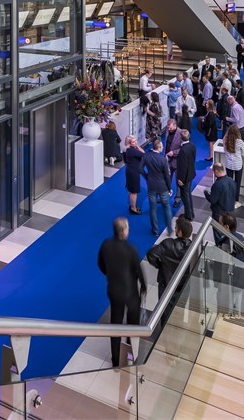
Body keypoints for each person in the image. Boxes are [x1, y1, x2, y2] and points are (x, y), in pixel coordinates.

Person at [97, 217, 147, 367]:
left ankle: (115, 359)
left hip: (114, 291)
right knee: (133, 324)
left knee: (115, 323)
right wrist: (143, 286)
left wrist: (110, 274)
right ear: (124, 230)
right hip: (130, 293)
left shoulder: (106, 244)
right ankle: (131, 351)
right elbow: (138, 271)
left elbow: (100, 264)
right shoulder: (131, 249)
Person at [146, 216, 192, 296]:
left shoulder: (168, 244)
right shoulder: (192, 247)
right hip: (183, 284)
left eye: (176, 228)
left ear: (180, 232)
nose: (174, 229)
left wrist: (160, 265)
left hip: (166, 283)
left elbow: (151, 254)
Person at [144, 137, 172, 236]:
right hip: (163, 187)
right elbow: (167, 176)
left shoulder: (146, 156)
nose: (163, 147)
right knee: (166, 207)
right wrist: (169, 188)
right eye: (162, 146)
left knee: (153, 208)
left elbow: (139, 168)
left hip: (151, 185)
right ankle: (169, 229)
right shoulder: (163, 159)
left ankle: (155, 231)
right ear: (159, 148)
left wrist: (146, 176)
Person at [172, 129, 197, 221]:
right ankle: (191, 213)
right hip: (191, 174)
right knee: (188, 195)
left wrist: (180, 179)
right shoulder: (192, 145)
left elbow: (182, 167)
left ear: (180, 138)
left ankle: (188, 216)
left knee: (185, 196)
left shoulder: (182, 150)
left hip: (185, 178)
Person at [221, 124, 244, 207]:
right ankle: (236, 201)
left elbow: (224, 150)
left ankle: (229, 199)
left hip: (228, 164)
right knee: (237, 183)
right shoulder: (240, 142)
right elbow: (243, 154)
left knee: (229, 183)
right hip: (238, 165)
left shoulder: (225, 140)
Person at [122, 136, 145, 214]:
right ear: (129, 143)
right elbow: (143, 154)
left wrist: (136, 145)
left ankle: (132, 205)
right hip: (133, 172)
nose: (136, 143)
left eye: (136, 141)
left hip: (130, 170)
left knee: (131, 190)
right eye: (134, 142)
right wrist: (137, 146)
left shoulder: (128, 150)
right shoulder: (132, 151)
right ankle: (133, 208)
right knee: (134, 191)